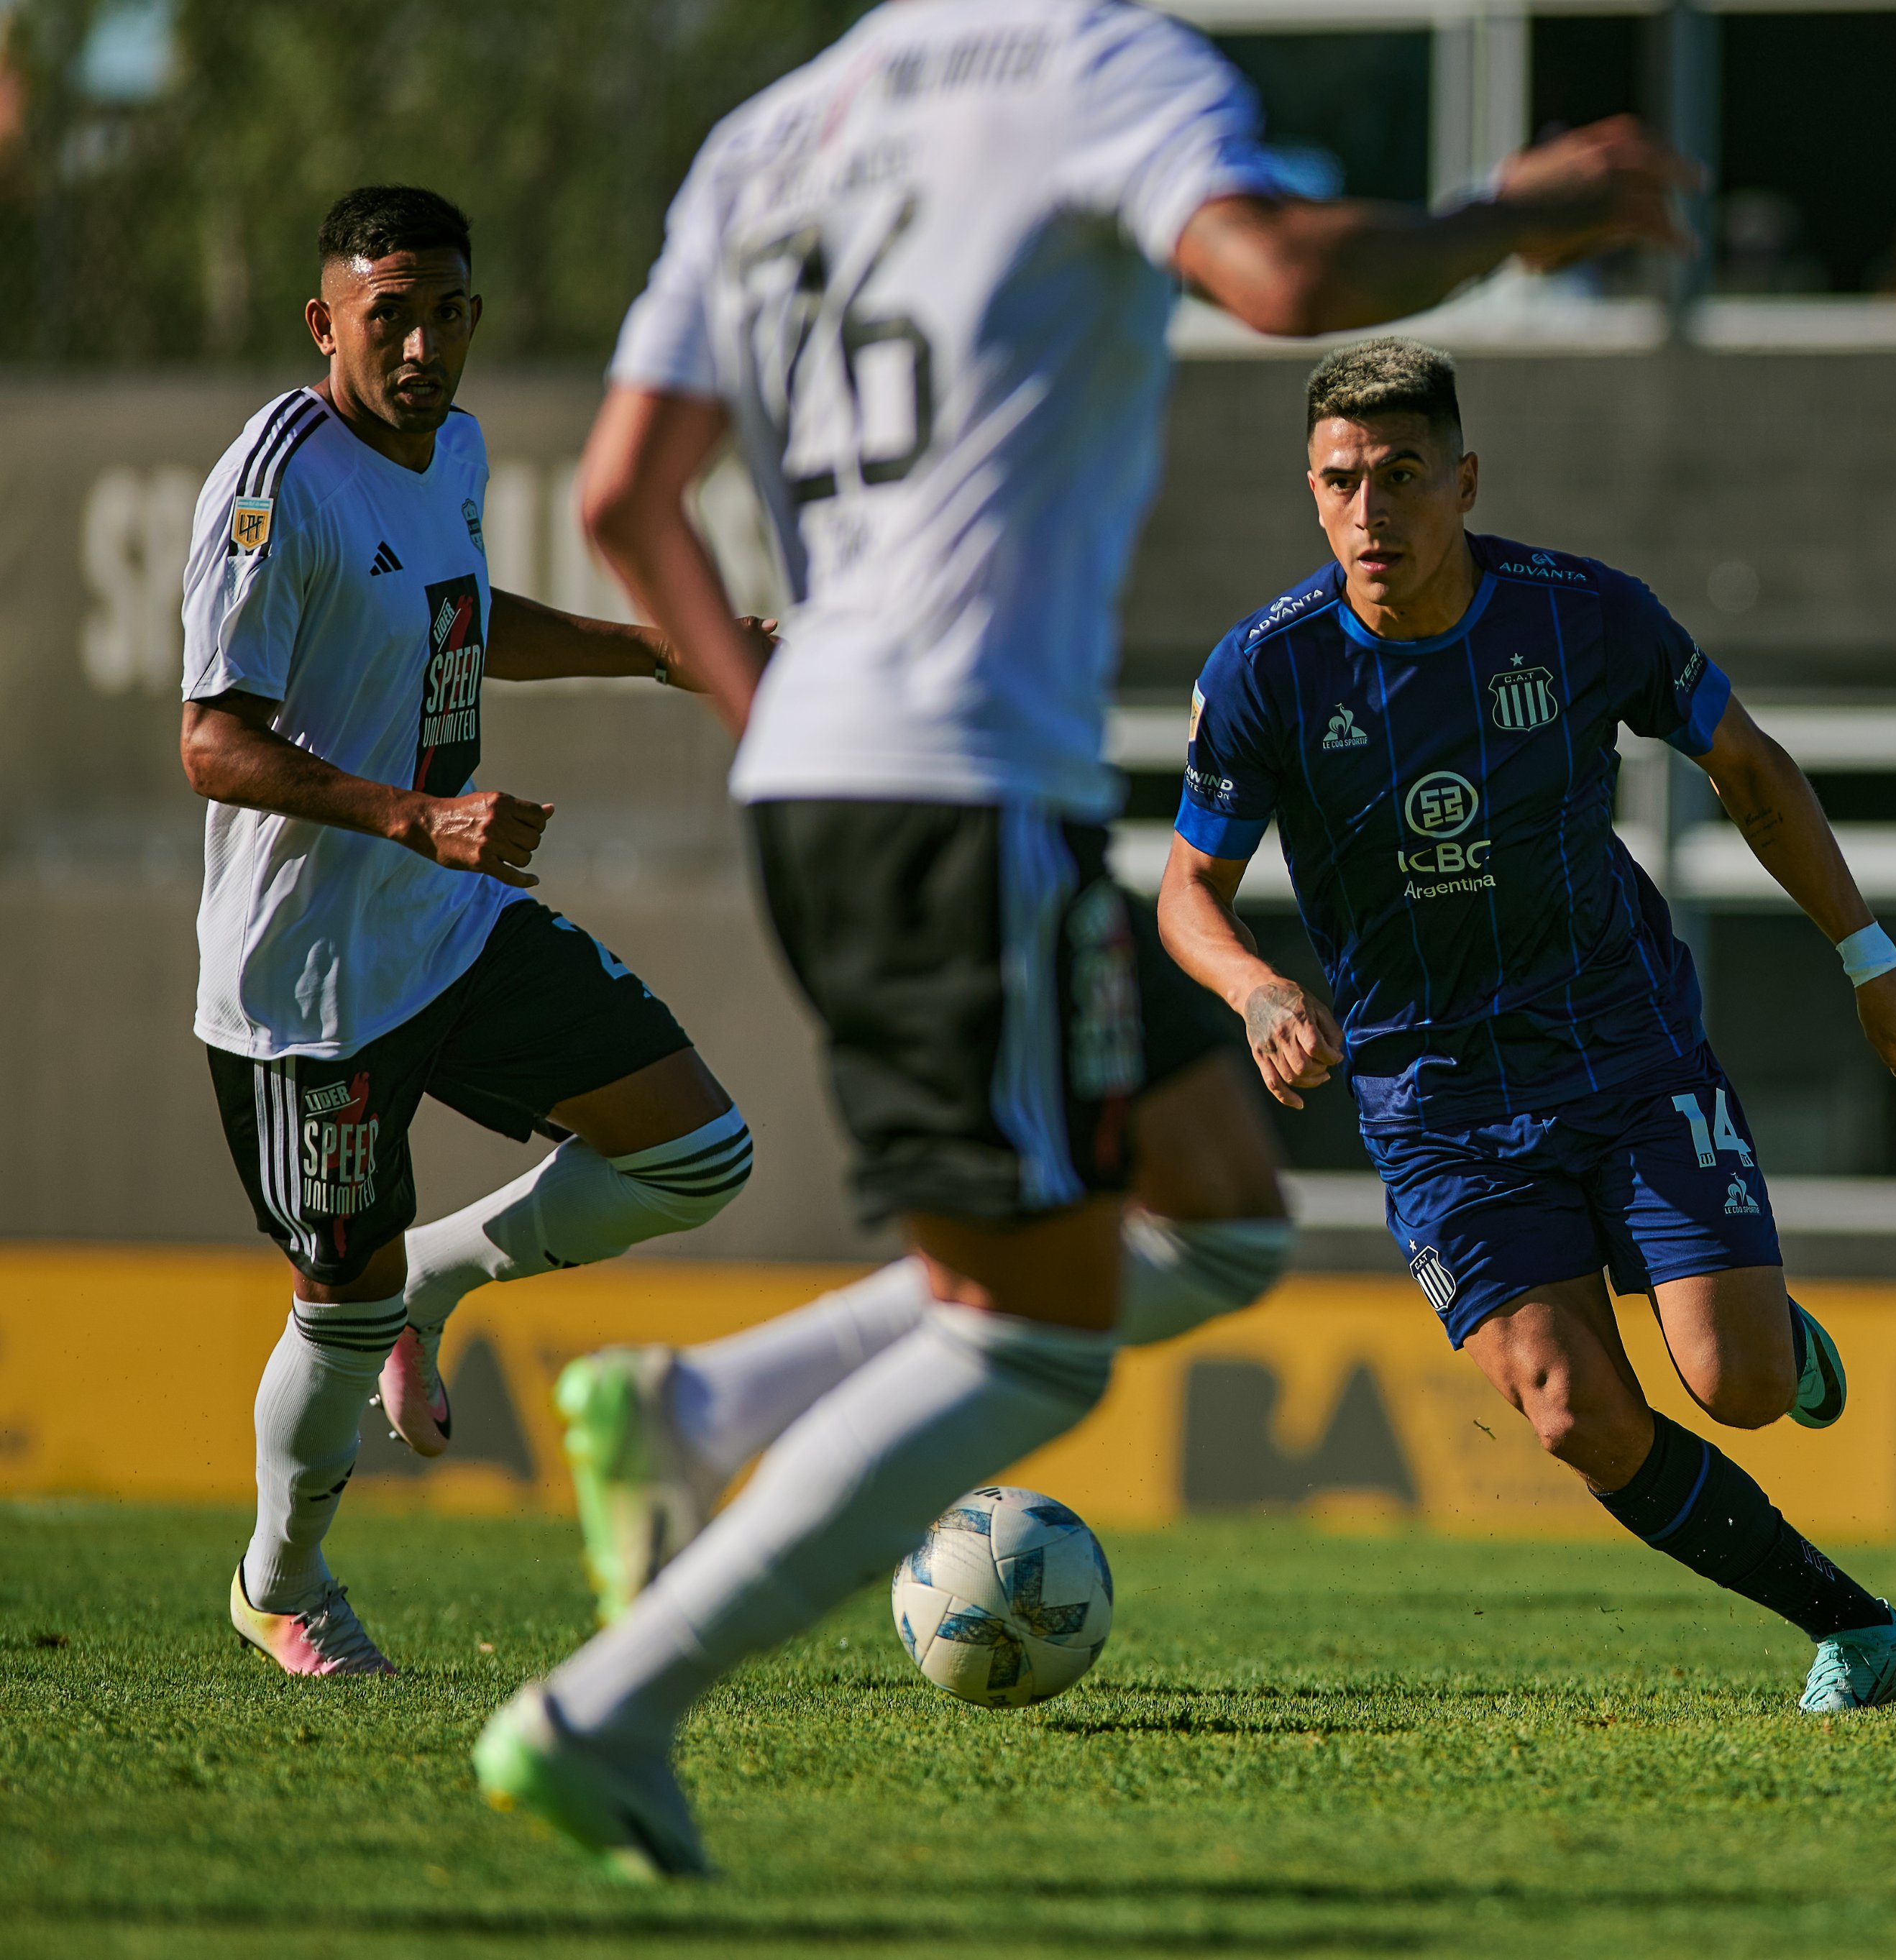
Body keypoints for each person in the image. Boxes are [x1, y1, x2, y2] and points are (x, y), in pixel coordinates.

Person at [470, 0, 1692, 1879]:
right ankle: (609, 1706)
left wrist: (769, 717)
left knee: (1214, 1208)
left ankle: (702, 1401)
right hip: (962, 789)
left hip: (867, 781)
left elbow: (633, 494)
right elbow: (1281, 268)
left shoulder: (773, 132)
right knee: (1035, 1333)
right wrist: (1506, 216)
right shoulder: (1094, 66)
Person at [1159, 338, 1896, 1711]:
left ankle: (1778, 1332)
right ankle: (1857, 1628)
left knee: (1742, 1385)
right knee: (1569, 1407)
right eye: (1343, 482)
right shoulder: (1267, 672)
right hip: (1436, 1106)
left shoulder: (1581, 615)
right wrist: (1257, 987)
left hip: (1624, 1049)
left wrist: (1871, 957)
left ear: (1464, 482)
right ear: (1311, 495)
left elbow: (1749, 769)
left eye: (1405, 477)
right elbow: (1188, 891)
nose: (1375, 513)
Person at [179, 186, 769, 1680]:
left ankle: (429, 1283)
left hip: (448, 922)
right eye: (391, 314)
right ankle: (281, 1581)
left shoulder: (454, 449)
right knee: (338, 1295)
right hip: (308, 981)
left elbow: (459, 615)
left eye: (447, 311)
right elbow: (210, 743)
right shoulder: (273, 484)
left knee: (697, 1152)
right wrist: (414, 816)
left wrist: (660, 653)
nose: (424, 342)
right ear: (326, 321)